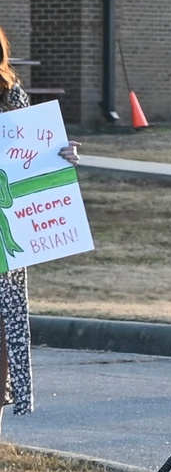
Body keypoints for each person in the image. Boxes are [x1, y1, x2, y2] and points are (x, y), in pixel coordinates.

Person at [0, 24, 80, 438]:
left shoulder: (10, 96)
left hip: (3, 233)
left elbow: (33, 149)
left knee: (2, 330)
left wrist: (63, 154)